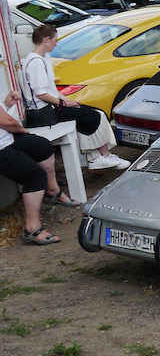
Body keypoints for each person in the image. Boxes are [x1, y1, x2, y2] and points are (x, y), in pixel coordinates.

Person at [23, 23, 128, 172]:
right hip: (44, 112)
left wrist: (66, 101)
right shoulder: (36, 62)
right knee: (93, 115)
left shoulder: (41, 58)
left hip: (51, 106)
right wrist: (63, 104)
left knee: (94, 112)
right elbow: (41, 94)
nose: (56, 44)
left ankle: (100, 157)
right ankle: (101, 157)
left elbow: (50, 89)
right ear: (46, 39)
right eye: (55, 40)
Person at [0, 88, 70, 244]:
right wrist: (22, 130)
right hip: (2, 146)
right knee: (35, 176)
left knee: (42, 147)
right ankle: (32, 229)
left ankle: (52, 191)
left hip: (7, 138)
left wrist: (5, 105)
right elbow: (7, 122)